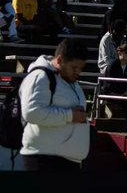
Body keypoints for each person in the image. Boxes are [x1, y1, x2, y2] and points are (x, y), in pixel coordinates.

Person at [18, 39, 90, 171]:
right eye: (74, 67)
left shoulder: (68, 79)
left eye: (81, 68)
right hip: (44, 160)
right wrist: (70, 116)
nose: (78, 72)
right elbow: (31, 112)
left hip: (63, 161)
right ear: (59, 60)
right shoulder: (40, 77)